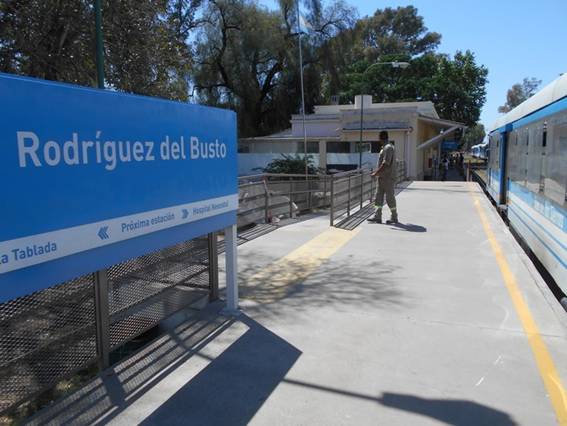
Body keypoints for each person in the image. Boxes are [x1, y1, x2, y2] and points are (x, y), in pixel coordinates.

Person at [368, 131, 398, 224]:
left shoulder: (388, 148)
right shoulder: (385, 148)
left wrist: (375, 173)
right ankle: (377, 216)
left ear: (380, 138)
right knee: (378, 197)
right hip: (382, 178)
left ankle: (394, 217)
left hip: (388, 178)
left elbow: (386, 164)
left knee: (390, 198)